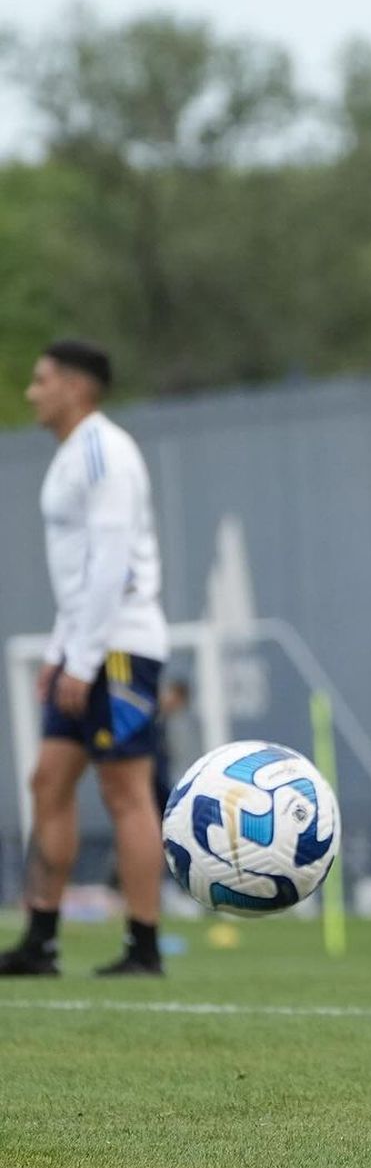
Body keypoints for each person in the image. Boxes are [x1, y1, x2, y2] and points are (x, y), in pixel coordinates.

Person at [0, 341, 170, 977]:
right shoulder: (72, 456)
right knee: (48, 780)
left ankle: (144, 946)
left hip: (121, 647)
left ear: (74, 387)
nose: (31, 392)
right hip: (87, 645)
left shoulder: (106, 452)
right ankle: (40, 940)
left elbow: (112, 564)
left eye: (40, 380)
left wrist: (86, 656)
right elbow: (77, 575)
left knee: (125, 789)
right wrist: (59, 650)